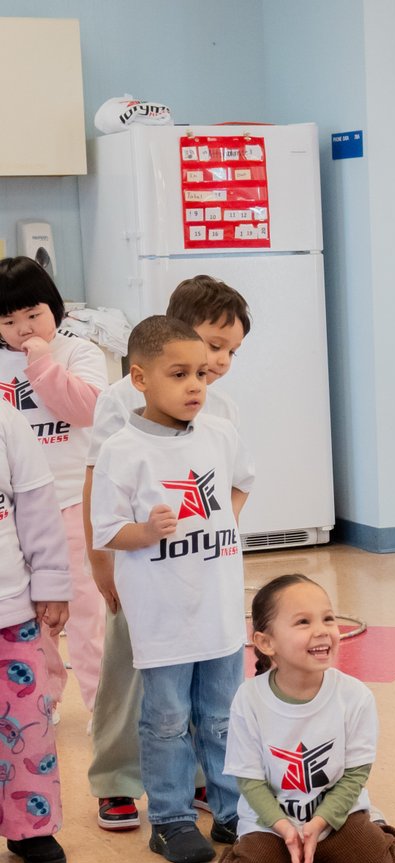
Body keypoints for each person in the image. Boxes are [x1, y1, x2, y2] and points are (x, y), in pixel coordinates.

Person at [83, 276, 250, 831]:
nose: (218, 363)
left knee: (204, 686)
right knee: (131, 676)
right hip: (140, 567)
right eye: (212, 345)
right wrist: (102, 563)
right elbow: (99, 482)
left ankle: (201, 779)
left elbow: (233, 482)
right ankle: (116, 778)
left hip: (199, 569)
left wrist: (217, 529)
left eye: (229, 353)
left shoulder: (220, 410)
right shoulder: (119, 401)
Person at [215, 573, 395, 863]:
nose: (322, 630)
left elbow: (355, 775)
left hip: (337, 819)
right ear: (265, 642)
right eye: (303, 622)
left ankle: (374, 828)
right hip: (272, 824)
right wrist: (284, 828)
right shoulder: (249, 700)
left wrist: (319, 823)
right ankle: (257, 850)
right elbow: (249, 780)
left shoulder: (354, 696)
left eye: (328, 618)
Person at [0, 256, 107, 718]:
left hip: (72, 502)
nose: (23, 329)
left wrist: (41, 362)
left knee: (86, 613)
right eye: (9, 321)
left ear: (54, 307)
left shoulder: (79, 352)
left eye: (33, 314)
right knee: (33, 615)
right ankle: (45, 699)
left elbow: (87, 411)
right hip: (16, 512)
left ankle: (101, 706)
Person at [0, 399, 71, 863]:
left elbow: (38, 505)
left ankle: (32, 826)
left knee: (26, 726)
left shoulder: (6, 419)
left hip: (9, 607)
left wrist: (52, 582)